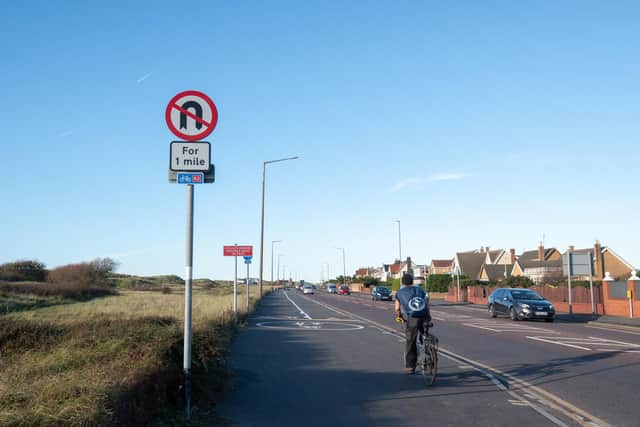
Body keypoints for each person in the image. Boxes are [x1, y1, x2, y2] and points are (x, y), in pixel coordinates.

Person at [395, 272, 432, 374]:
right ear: (412, 281)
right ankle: (428, 353)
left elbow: (397, 309)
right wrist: (427, 311)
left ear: (402, 282)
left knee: (411, 340)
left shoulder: (399, 293)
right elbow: (427, 299)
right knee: (424, 335)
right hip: (425, 316)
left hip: (413, 318)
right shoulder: (419, 289)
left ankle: (410, 366)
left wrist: (400, 317)